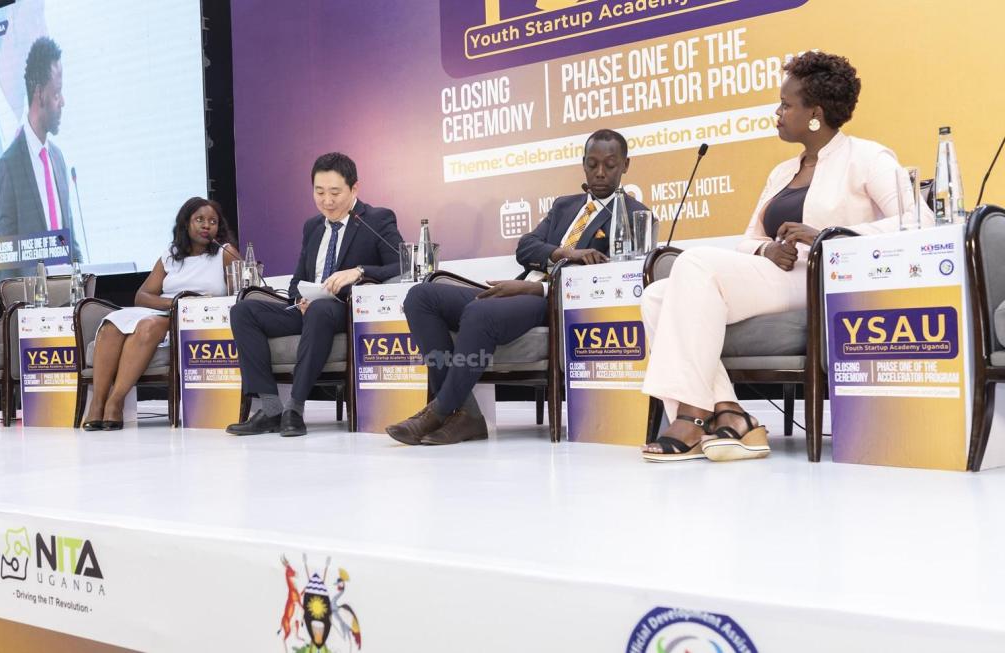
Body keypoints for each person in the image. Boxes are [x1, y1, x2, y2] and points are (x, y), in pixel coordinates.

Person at [639, 51, 934, 463]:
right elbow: (748, 239)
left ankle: (691, 416)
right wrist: (767, 248)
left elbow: (918, 221)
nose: (777, 112)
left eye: (785, 104)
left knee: (695, 262)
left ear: (815, 113)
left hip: (823, 278)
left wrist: (828, 236)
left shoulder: (867, 157)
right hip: (777, 274)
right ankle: (730, 414)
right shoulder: (782, 172)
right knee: (656, 295)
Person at [385, 128, 648, 446]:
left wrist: (537, 290)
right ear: (583, 164)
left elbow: (611, 281)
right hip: (521, 289)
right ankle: (466, 415)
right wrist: (567, 252)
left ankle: (439, 411)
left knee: (480, 312)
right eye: (592, 164)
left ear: (626, 165)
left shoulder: (634, 217)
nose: (600, 172)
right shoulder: (566, 206)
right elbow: (526, 248)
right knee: (421, 297)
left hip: (552, 302)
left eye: (610, 164)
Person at [226, 152, 403, 438]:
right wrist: (300, 298)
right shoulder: (312, 227)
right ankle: (271, 409)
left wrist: (358, 271)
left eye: (335, 192)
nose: (327, 201)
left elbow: (401, 264)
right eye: (319, 192)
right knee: (243, 311)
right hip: (309, 308)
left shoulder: (377, 219)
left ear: (354, 188)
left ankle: (294, 408)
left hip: (346, 310)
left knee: (321, 311)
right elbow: (297, 279)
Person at [81, 198, 238, 430]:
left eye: (213, 222)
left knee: (148, 326)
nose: (207, 225)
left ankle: (115, 402)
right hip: (165, 309)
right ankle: (97, 405)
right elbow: (142, 296)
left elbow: (240, 289)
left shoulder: (224, 253)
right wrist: (172, 302)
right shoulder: (170, 256)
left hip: (195, 319)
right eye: (200, 220)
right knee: (112, 325)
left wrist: (189, 306)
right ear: (186, 224)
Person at [0, 36, 82, 281]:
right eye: (57, 93)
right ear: (40, 94)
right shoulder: (9, 165)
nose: (62, 101)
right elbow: (6, 255)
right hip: (34, 305)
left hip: (70, 300)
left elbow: (71, 240)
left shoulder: (58, 158)